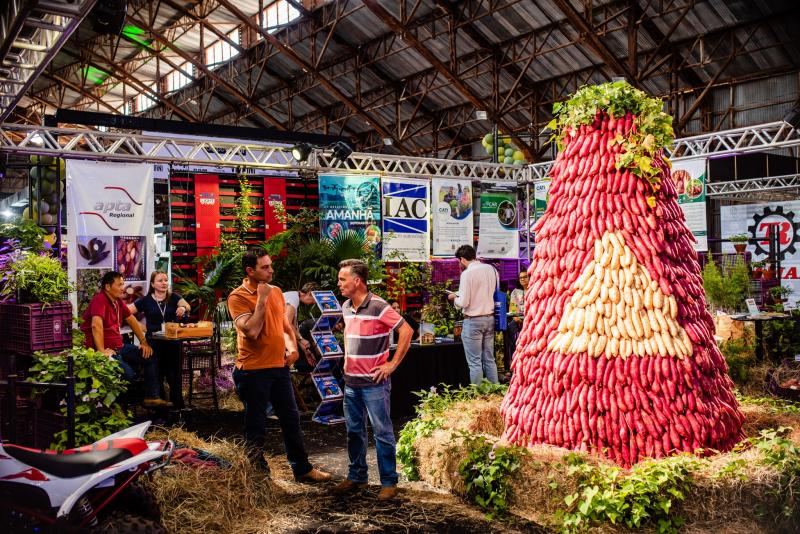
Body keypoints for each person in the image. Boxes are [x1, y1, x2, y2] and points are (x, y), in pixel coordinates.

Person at [227, 248, 330, 482]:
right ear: (250, 271)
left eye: (270, 265)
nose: (271, 270)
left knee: (291, 419)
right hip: (252, 371)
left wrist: (293, 347)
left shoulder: (276, 291)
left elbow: (283, 325)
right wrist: (261, 298)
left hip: (279, 367)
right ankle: (257, 475)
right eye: (265, 267)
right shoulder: (237, 297)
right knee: (256, 425)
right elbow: (252, 331)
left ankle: (302, 469)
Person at [334, 259, 413, 501]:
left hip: (374, 384)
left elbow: (406, 330)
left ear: (357, 281)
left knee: (382, 432)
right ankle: (357, 475)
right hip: (351, 383)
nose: (339, 283)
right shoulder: (346, 306)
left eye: (342, 279)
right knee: (354, 431)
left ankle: (389, 481)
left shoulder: (378, 305)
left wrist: (392, 364)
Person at [80, 271, 171, 408]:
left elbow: (132, 320)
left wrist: (144, 342)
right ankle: (117, 409)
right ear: (108, 287)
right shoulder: (100, 299)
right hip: (103, 351)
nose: (123, 287)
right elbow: (95, 325)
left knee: (150, 355)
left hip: (119, 347)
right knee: (128, 374)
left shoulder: (117, 302)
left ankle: (151, 397)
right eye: (120, 284)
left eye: (123, 283)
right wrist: (101, 351)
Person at [127, 270, 191, 408]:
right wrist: (142, 328)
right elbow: (126, 313)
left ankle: (177, 409)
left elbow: (187, 305)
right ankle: (161, 411)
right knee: (157, 376)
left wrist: (182, 308)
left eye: (165, 280)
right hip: (154, 344)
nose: (164, 283)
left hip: (173, 344)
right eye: (160, 280)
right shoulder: (145, 300)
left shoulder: (174, 297)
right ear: (152, 284)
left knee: (174, 377)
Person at [447, 244, 499, 384]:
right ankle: (495, 392)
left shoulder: (467, 273)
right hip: (489, 318)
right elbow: (487, 292)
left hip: (473, 320)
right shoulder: (491, 269)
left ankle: (478, 398)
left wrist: (454, 298)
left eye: (459, 261)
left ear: (462, 259)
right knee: (489, 358)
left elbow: (463, 302)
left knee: (475, 362)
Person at [283, 282, 318, 368]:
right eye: (315, 299)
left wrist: (306, 351)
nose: (314, 303)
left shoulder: (294, 296)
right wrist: (301, 339)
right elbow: (287, 322)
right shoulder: (293, 298)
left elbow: (294, 327)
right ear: (310, 293)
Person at [504, 270, 529, 376]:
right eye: (520, 277)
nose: (522, 279)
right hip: (517, 318)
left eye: (525, 277)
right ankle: (513, 359)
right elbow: (513, 308)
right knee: (509, 329)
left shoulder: (533, 289)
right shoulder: (515, 292)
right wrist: (516, 317)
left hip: (530, 319)